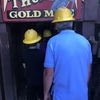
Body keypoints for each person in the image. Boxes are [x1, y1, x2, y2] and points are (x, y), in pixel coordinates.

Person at [43, 7, 92, 100]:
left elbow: (48, 72)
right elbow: (88, 70)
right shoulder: (85, 42)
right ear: (71, 22)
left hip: (62, 95)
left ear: (57, 24)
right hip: (82, 95)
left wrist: (46, 93)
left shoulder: (53, 42)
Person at [22, 29, 43, 100]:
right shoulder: (41, 53)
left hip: (30, 81)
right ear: (37, 41)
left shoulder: (24, 53)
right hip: (41, 81)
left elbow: (24, 67)